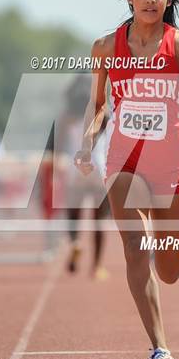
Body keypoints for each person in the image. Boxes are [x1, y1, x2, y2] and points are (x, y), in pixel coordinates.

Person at [74, 0, 179, 359]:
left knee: (169, 271)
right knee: (135, 248)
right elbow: (99, 104)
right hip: (124, 160)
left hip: (170, 161)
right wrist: (88, 142)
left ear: (168, 0)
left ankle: (165, 255)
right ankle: (161, 349)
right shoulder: (105, 46)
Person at [55, 75, 110, 279]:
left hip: (74, 168)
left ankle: (75, 242)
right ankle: (96, 267)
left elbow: (59, 147)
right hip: (98, 167)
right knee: (99, 220)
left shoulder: (66, 117)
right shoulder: (101, 114)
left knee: (73, 215)